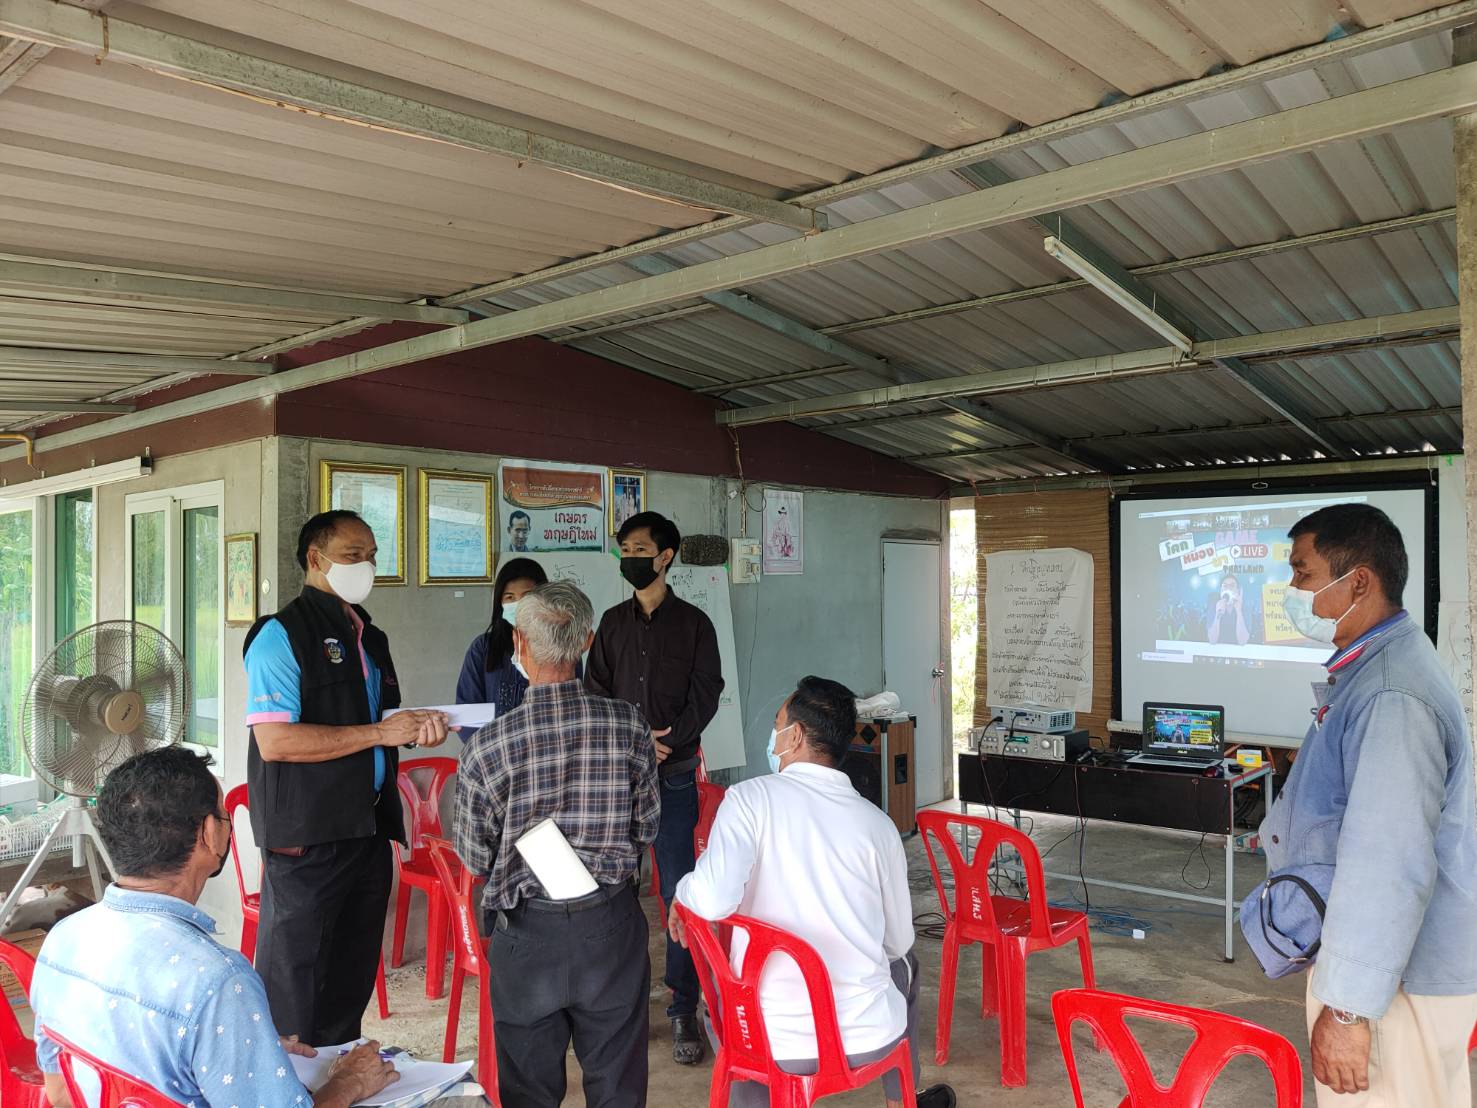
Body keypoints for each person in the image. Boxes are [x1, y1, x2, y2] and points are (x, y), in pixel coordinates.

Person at [30, 748, 399, 1108]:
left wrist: (244, 1048)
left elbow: (60, 1094)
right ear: (209, 833)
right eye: (224, 816)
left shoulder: (64, 939)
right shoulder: (217, 980)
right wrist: (348, 1084)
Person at [1260, 502, 1477, 1106]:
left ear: (1358, 580)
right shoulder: (1378, 667)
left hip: (1395, 983)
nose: (1293, 591)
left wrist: (1350, 1012)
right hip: (1382, 969)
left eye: (1303, 574)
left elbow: (1388, 861)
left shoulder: (1391, 694)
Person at [670, 677, 954, 1108]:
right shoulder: (878, 825)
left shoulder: (749, 800)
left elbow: (711, 900)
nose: (774, 733)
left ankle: (755, 1094)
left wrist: (682, 893)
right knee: (905, 965)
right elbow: (897, 943)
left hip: (767, 1039)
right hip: (868, 1038)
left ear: (796, 736)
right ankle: (903, 1099)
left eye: (778, 723)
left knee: (733, 992)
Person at [244, 510, 448, 1045]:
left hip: (368, 829)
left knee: (350, 977)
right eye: (353, 556)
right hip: (308, 838)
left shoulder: (369, 637)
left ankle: (337, 1079)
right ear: (316, 559)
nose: (367, 567)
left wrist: (411, 729)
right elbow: (276, 741)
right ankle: (282, 1092)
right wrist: (379, 734)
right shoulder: (280, 635)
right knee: (293, 983)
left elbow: (377, 723)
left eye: (372, 556)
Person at [454, 582, 659, 1108]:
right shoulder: (629, 725)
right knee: (617, 1085)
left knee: (528, 1091)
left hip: (527, 936)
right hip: (610, 926)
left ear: (519, 643)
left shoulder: (488, 747)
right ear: (587, 640)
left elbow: (475, 856)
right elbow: (647, 827)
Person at [586, 510, 723, 1065]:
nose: (630, 558)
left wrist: (669, 740)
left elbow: (707, 692)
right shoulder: (612, 624)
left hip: (674, 775)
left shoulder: (695, 624)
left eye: (639, 548)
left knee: (677, 894)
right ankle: (617, 1007)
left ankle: (682, 1006)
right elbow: (595, 693)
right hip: (618, 778)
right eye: (624, 548)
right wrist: (636, 739)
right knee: (613, 890)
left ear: (665, 556)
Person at [455, 557, 551, 713]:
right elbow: (467, 712)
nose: (519, 605)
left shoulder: (561, 645)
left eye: (527, 596)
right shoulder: (483, 648)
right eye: (510, 597)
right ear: (500, 603)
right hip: (492, 738)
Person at [1207, 571, 1251, 645]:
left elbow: (1243, 641)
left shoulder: (1245, 608)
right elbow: (1212, 640)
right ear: (1221, 590)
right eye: (1225, 586)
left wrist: (1239, 612)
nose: (1228, 588)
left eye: (1232, 586)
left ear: (1237, 590)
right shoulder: (1214, 606)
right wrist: (1218, 616)